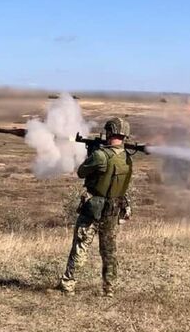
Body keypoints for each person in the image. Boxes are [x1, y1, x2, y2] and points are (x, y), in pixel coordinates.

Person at [56, 118, 133, 297]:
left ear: (109, 132)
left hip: (94, 208)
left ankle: (68, 286)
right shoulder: (127, 158)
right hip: (114, 208)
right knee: (109, 251)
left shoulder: (100, 155)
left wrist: (92, 153)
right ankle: (109, 289)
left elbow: (82, 172)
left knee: (81, 246)